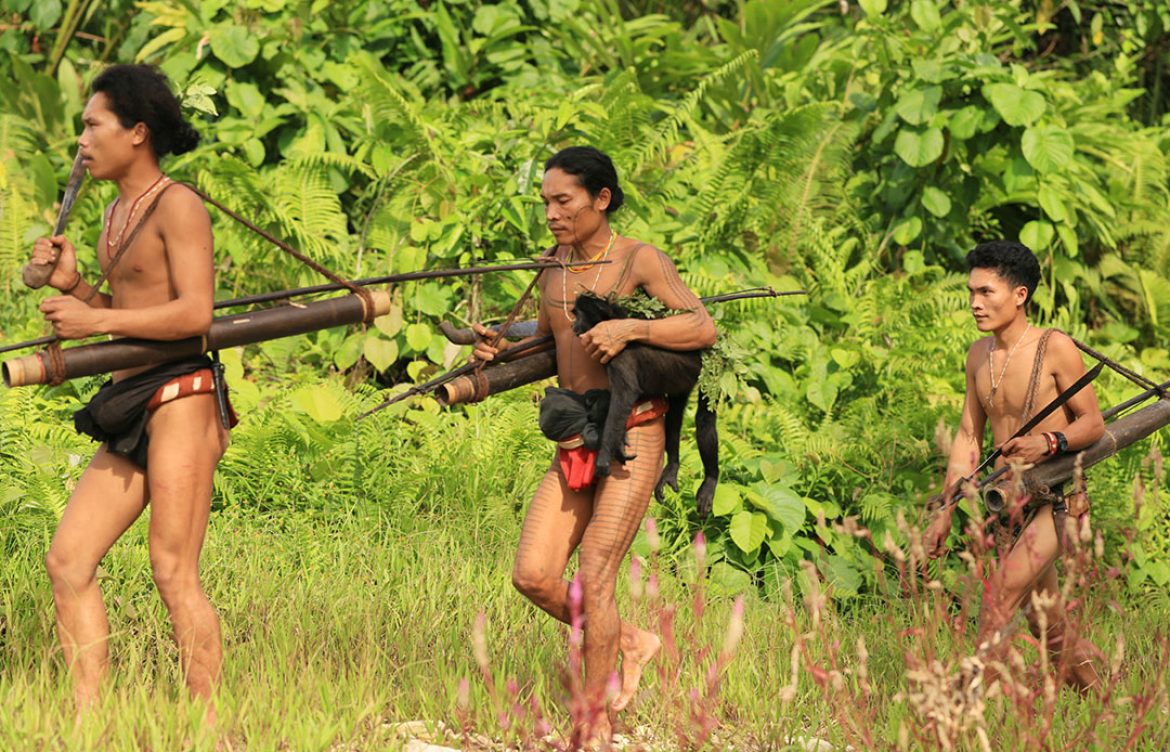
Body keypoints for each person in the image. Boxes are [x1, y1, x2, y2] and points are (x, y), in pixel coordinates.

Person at [473, 146, 717, 743]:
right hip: (576, 434)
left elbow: (701, 325)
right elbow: (552, 334)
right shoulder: (552, 266)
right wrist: (501, 349)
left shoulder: (639, 259)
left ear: (600, 199)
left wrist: (632, 326)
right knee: (532, 575)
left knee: (596, 575)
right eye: (546, 203)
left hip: (633, 435)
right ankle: (631, 642)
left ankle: (595, 722)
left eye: (564, 201)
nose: (553, 214)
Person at [28, 64, 230, 721]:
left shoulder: (179, 205)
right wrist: (75, 288)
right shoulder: (116, 212)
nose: (82, 141)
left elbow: (194, 314)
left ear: (137, 132)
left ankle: (208, 730)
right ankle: (89, 722)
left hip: (182, 397)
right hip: (131, 399)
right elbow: (129, 309)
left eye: (93, 125)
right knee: (68, 559)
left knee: (173, 570)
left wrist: (96, 319)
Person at [924, 240, 1103, 693]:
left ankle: (961, 717)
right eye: (971, 292)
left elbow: (1093, 423)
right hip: (1009, 504)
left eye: (986, 292)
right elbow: (968, 438)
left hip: (1058, 501)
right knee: (1049, 623)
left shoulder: (1054, 346)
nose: (974, 303)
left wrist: (1050, 441)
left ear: (1020, 295)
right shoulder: (978, 356)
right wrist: (945, 509)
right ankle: (1103, 705)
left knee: (1000, 594)